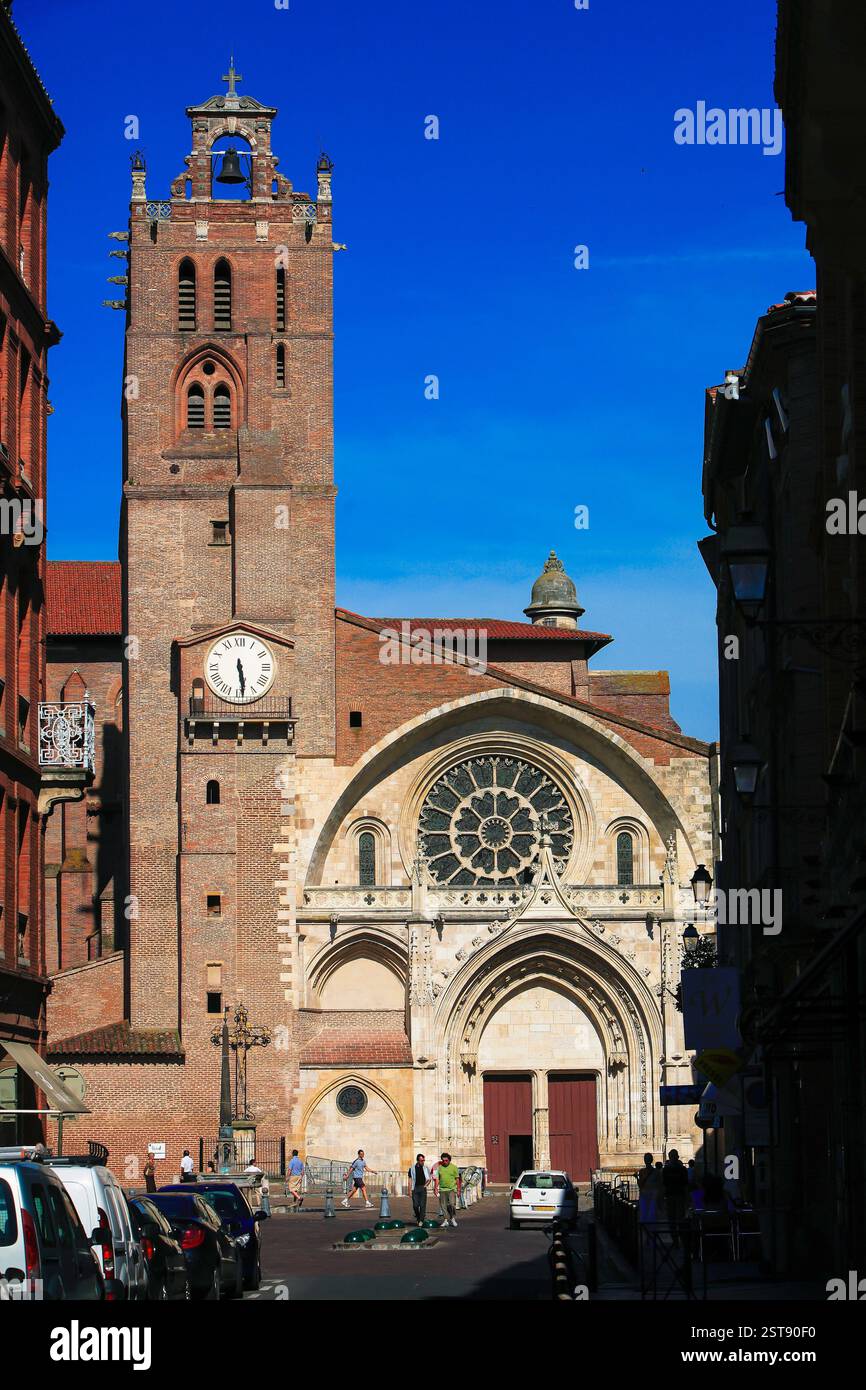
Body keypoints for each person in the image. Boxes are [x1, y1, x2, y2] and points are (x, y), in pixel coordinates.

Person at [662, 1148, 690, 1245]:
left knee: (673, 1219)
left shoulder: (666, 1170)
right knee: (678, 1219)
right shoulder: (682, 1169)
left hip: (673, 1196)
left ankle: (676, 1240)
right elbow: (686, 1184)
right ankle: (679, 1239)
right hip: (677, 1196)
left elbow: (664, 1185)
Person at [434, 1152, 460, 1228]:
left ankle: (452, 1218)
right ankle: (445, 1220)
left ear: (449, 1160)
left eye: (446, 1160)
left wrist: (458, 1189)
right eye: (443, 1160)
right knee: (443, 1206)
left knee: (452, 1204)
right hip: (442, 1189)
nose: (445, 1162)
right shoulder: (440, 1168)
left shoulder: (454, 1167)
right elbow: (437, 1179)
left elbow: (457, 1179)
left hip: (451, 1189)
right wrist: (436, 1188)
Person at [637, 1152, 661, 1224]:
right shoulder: (656, 1171)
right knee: (650, 1213)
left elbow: (640, 1185)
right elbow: (659, 1184)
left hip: (646, 1194)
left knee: (646, 1213)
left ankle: (647, 1230)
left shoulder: (642, 1171)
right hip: (651, 1194)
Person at [408, 1154, 432, 1225]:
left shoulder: (425, 1168)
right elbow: (410, 1179)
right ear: (418, 1160)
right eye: (421, 1160)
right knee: (415, 1205)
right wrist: (409, 1190)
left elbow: (429, 1179)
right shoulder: (412, 1168)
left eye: (423, 1160)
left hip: (422, 1188)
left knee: (422, 1205)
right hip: (415, 1188)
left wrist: (425, 1186)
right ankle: (418, 1217)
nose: (423, 1162)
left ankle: (421, 1220)